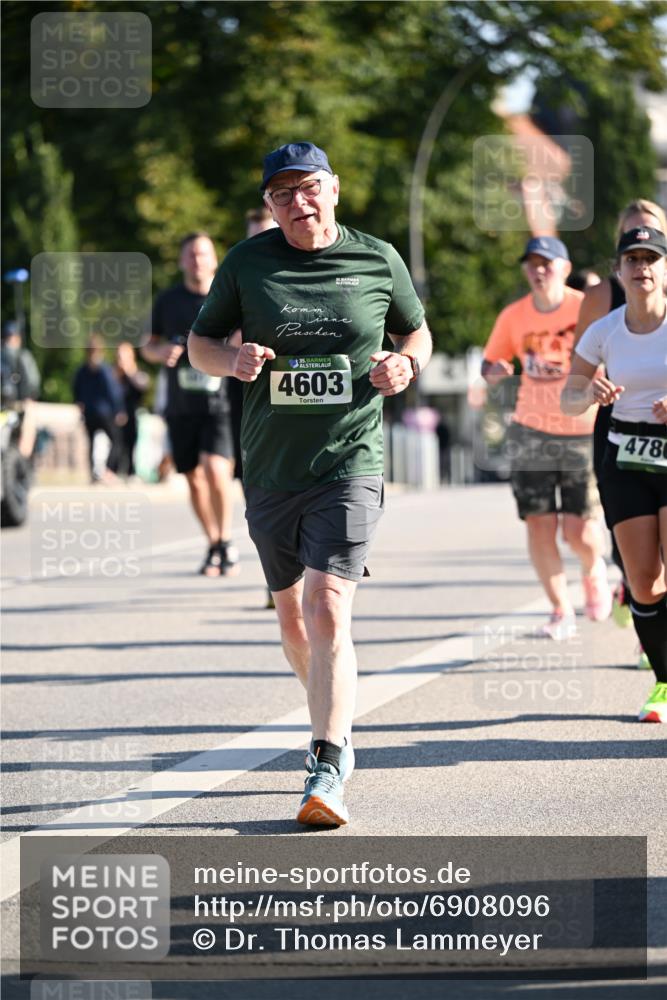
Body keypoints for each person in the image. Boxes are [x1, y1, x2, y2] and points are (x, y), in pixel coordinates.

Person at [188, 141, 431, 826]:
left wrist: (402, 367)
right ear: (269, 204)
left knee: (327, 607)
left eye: (308, 188)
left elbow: (417, 335)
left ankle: (327, 759)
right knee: (293, 618)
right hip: (270, 468)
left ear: (333, 188)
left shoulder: (376, 257)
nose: (298, 203)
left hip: (350, 461)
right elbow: (197, 345)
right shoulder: (246, 263)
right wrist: (229, 359)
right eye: (281, 193)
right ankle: (332, 695)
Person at [481, 235, 611, 639]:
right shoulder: (514, 315)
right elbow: (491, 361)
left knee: (580, 531)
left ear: (565, 268)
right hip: (530, 429)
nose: (539, 270)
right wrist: (495, 372)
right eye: (532, 264)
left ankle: (593, 570)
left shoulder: (586, 308)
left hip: (581, 429)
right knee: (539, 524)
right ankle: (560, 611)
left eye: (547, 263)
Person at [562, 226, 667, 722]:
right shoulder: (605, 330)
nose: (641, 267)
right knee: (644, 582)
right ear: (619, 271)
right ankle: (664, 683)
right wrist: (591, 392)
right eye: (632, 259)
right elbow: (569, 394)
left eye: (651, 258)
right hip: (625, 456)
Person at [142, 233, 239, 577]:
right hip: (181, 405)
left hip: (220, 401)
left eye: (203, 254)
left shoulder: (228, 296)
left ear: (214, 260)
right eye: (191, 255)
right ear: (183, 261)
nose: (198, 261)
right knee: (193, 479)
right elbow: (147, 346)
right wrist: (160, 353)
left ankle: (226, 540)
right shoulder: (168, 301)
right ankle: (214, 542)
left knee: (215, 469)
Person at [73, 335, 125, 483]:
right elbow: (113, 391)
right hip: (104, 412)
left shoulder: (82, 370)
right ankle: (108, 471)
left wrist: (80, 404)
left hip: (89, 412)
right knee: (116, 440)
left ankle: (92, 475)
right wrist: (119, 409)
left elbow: (76, 391)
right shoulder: (104, 369)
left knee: (91, 443)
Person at [0, 319, 40, 457]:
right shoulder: (21, 355)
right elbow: (33, 381)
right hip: (12, 405)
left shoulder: (18, 356)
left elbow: (31, 380)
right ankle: (24, 455)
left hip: (13, 404)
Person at [114, 342, 149, 478]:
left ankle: (131, 473)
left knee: (131, 445)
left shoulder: (136, 374)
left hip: (132, 415)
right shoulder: (114, 375)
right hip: (116, 416)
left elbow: (143, 387)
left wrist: (129, 371)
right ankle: (114, 472)